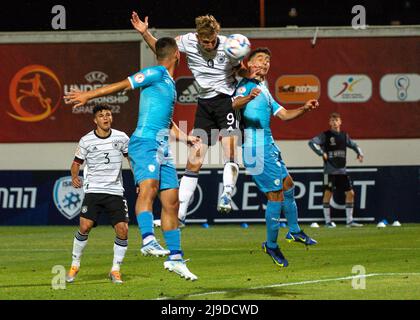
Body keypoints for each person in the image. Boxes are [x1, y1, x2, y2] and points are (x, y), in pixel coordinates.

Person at [65, 37, 200, 281]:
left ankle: (176, 258)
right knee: (149, 188)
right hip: (144, 142)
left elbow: (167, 123)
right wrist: (90, 95)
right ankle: (148, 239)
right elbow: (123, 84)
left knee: (172, 202)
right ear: (178, 56)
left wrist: (186, 138)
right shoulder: (156, 73)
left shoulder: (168, 81)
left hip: (163, 148)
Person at [131, 12, 248, 225]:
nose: (210, 45)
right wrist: (145, 33)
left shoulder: (229, 46)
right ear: (198, 37)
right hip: (204, 104)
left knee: (229, 150)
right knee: (194, 160)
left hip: (226, 101)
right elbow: (163, 50)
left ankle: (227, 194)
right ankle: (180, 216)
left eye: (213, 40)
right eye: (205, 41)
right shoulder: (187, 41)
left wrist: (244, 65)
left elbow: (243, 73)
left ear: (217, 34)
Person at [232, 47, 318, 267]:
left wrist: (304, 108)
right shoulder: (246, 86)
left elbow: (284, 115)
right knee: (275, 196)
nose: (265, 63)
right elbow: (232, 104)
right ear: (250, 64)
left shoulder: (264, 89)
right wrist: (247, 97)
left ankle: (294, 231)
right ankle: (271, 245)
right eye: (260, 59)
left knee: (288, 185)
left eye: (268, 60)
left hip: (269, 147)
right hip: (256, 149)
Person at [66, 104, 130, 284]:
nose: (105, 118)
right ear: (95, 120)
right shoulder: (86, 140)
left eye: (108, 115)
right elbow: (76, 163)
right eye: (101, 115)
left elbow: (131, 159)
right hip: (93, 190)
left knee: (123, 230)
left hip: (115, 191)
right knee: (85, 226)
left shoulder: (122, 138)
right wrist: (74, 176)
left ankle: (115, 270)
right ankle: (75, 265)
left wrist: (140, 180)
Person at [308, 112, 364, 228]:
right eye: (332, 121)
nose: (334, 122)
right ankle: (328, 222)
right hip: (329, 171)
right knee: (328, 194)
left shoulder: (344, 136)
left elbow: (354, 145)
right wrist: (320, 152)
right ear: (329, 123)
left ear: (340, 122)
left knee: (350, 193)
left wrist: (359, 153)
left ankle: (349, 221)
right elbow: (312, 142)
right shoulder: (326, 135)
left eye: (336, 120)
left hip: (342, 171)